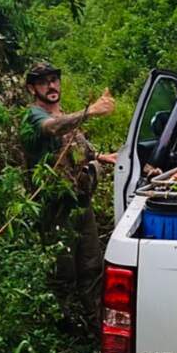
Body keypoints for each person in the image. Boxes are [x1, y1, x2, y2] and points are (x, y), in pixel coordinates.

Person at [20, 61, 116, 335]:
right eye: (43, 82)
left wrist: (100, 157)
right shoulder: (35, 117)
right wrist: (91, 111)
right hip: (56, 208)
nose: (51, 85)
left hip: (80, 202)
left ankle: (95, 325)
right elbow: (53, 128)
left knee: (92, 264)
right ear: (32, 89)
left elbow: (75, 144)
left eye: (54, 79)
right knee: (62, 272)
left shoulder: (63, 113)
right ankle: (62, 330)